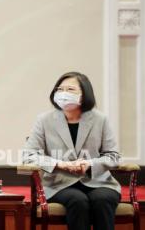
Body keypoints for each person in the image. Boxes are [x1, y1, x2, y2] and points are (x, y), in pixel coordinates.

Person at [22, 72, 121, 230]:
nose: (63, 93)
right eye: (59, 89)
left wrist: (89, 163)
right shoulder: (44, 120)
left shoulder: (100, 119)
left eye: (70, 89)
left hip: (98, 182)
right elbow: (29, 156)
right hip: (59, 184)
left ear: (84, 94)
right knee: (77, 200)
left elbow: (113, 156)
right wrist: (61, 164)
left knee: (102, 199)